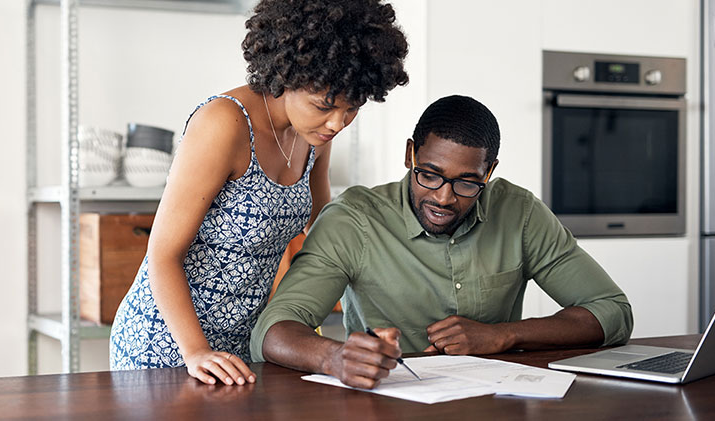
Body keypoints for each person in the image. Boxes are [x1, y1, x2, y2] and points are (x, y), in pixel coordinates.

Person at [109, 0, 409, 386]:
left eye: (352, 109)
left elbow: (324, 233)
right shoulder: (224, 124)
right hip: (167, 343)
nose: (337, 123)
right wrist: (196, 351)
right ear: (285, 75)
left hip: (241, 345)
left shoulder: (313, 134)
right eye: (325, 106)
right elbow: (162, 254)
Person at [250, 95, 634, 389]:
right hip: (387, 403)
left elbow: (612, 312)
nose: (445, 198)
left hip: (495, 402)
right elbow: (274, 330)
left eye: (467, 182)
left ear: (490, 171)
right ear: (409, 154)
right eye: (430, 175)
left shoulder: (519, 213)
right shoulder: (355, 220)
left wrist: (504, 334)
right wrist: (334, 357)